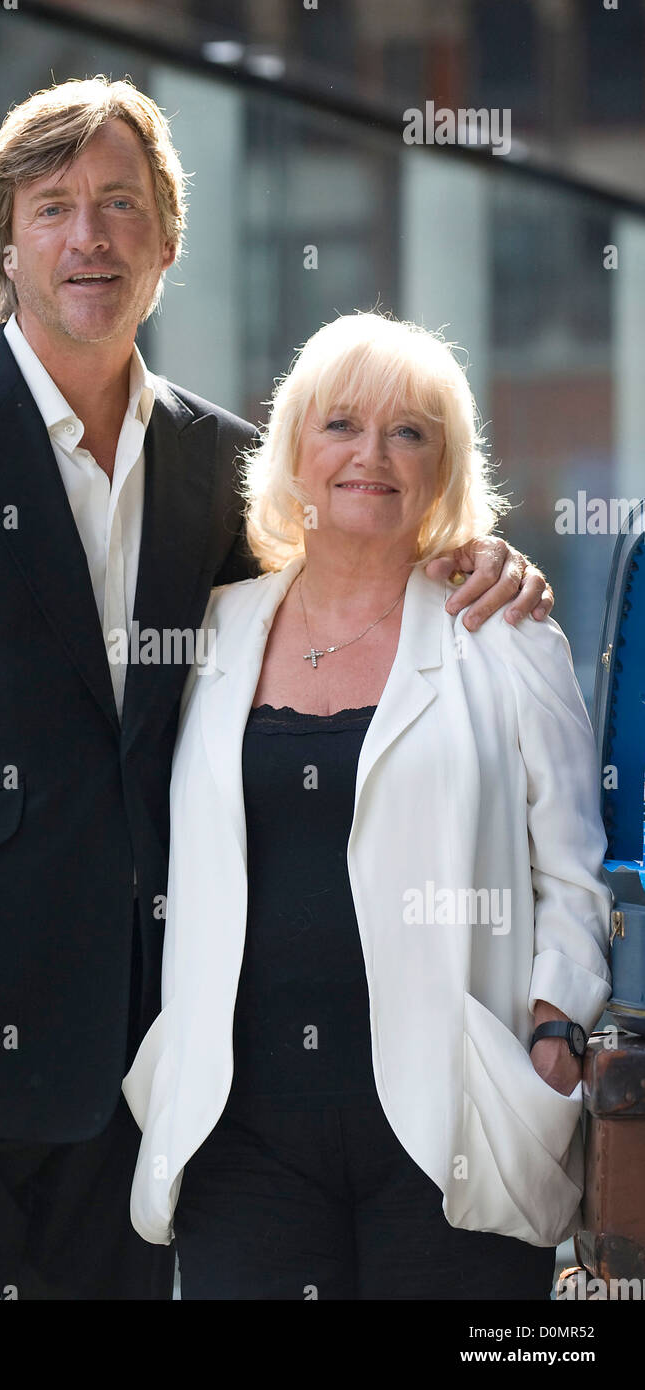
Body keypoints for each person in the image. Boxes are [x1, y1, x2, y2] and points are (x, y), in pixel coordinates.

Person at [0, 79, 553, 1301]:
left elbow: (332, 605)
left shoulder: (222, 465)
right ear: (5, 241)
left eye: (120, 205)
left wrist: (472, 554)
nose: (88, 238)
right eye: (53, 208)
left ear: (166, 240)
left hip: (142, 1074)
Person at [123, 311, 612, 1301]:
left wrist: (555, 1033)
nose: (373, 456)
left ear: (442, 467)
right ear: (296, 450)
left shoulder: (509, 635)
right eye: (342, 424)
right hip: (238, 1130)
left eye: (411, 432)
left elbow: (573, 869)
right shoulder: (211, 631)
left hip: (452, 1129)